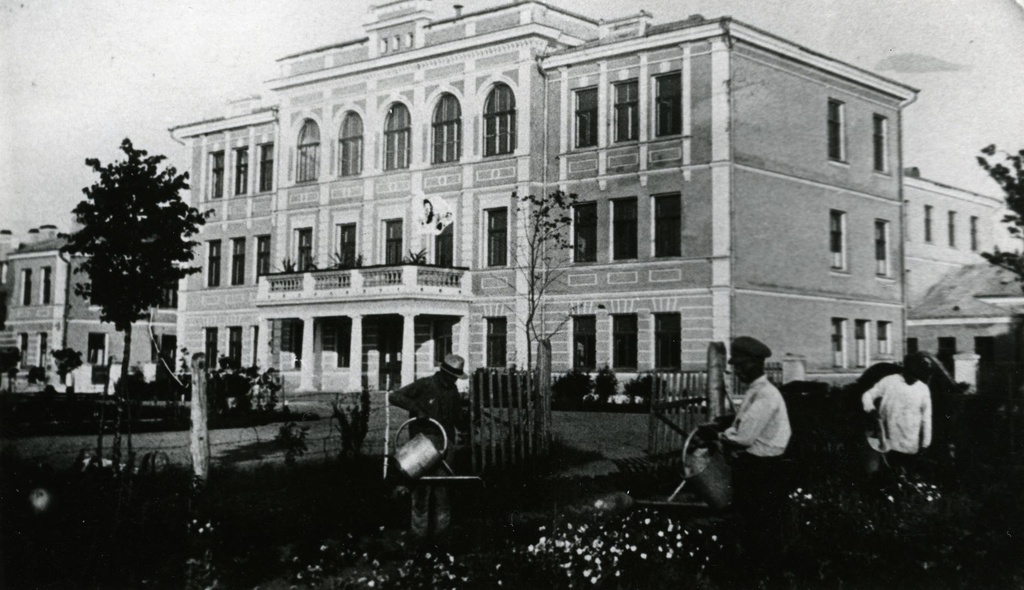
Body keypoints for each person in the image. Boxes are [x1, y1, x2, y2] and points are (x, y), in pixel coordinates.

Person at [717, 336, 792, 576]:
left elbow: (744, 437)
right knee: (753, 523)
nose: (737, 370)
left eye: (741, 365)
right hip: (756, 466)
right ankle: (757, 571)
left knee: (760, 525)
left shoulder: (766, 396)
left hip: (763, 468)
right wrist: (726, 433)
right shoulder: (755, 391)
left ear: (756, 363)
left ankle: (762, 574)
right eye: (735, 366)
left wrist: (719, 437)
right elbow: (739, 426)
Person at [389, 353, 466, 541]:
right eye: (451, 376)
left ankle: (442, 538)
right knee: (421, 492)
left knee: (443, 492)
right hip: (421, 446)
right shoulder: (425, 385)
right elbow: (395, 396)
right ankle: (418, 538)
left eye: (456, 377)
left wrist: (467, 419)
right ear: (443, 372)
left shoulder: (453, 392)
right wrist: (416, 408)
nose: (453, 379)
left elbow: (457, 419)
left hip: (446, 447)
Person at [861, 352, 932, 475]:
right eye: (912, 375)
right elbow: (867, 395)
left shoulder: (923, 389)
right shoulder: (889, 381)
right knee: (887, 476)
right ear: (905, 370)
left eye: (917, 376)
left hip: (910, 445)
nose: (914, 379)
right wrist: (871, 410)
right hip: (888, 443)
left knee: (906, 480)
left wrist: (925, 444)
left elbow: (926, 418)